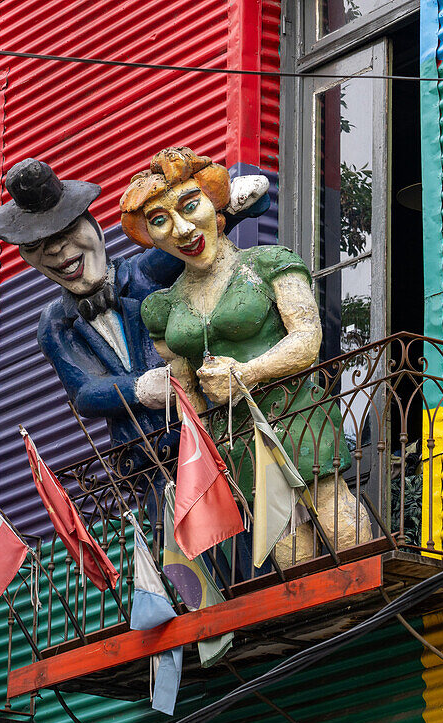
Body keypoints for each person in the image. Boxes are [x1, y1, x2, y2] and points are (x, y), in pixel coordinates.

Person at [120, 147, 369, 567]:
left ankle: (364, 576)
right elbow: (185, 391)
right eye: (160, 222)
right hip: (232, 436)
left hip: (293, 411)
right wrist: (200, 456)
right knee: (283, 533)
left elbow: (307, 337)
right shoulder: (162, 308)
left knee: (330, 506)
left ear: (214, 202)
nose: (181, 229)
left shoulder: (268, 263)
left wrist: (247, 373)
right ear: (150, 236)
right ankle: (311, 612)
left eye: (190, 206)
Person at [0, 157, 271, 449]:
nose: (55, 249)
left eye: (67, 231)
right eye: (34, 245)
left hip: (211, 433)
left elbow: (197, 230)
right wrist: (141, 389)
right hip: (143, 458)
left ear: (93, 225)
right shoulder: (54, 324)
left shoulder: (145, 273)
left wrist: (234, 202)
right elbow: (84, 392)